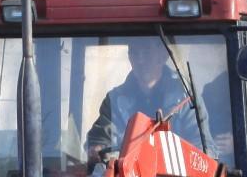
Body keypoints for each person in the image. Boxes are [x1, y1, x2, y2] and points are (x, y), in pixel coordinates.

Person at [85, 37, 199, 165]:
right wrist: (98, 148)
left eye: (146, 52)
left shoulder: (186, 98)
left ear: (163, 56)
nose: (139, 59)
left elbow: (203, 147)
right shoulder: (115, 100)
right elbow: (99, 138)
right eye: (134, 52)